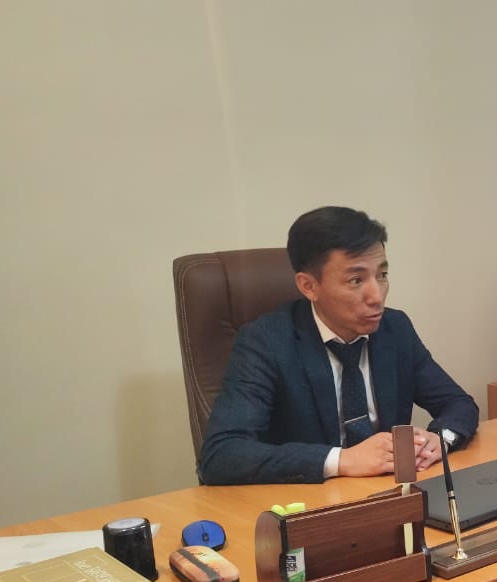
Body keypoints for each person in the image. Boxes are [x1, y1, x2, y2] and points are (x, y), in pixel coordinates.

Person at [198, 206, 479, 485]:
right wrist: (342, 460)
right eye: (356, 280)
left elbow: (458, 403)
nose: (376, 296)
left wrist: (441, 439)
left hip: (387, 493)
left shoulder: (395, 329)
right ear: (309, 286)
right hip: (308, 502)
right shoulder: (266, 342)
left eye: (382, 275)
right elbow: (221, 454)